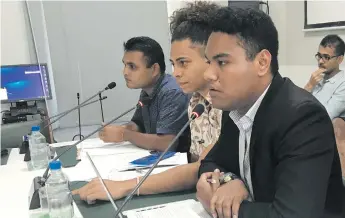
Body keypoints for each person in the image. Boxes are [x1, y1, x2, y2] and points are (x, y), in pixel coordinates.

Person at [196, 7, 344, 218]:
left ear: (262, 63)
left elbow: (292, 215)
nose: (208, 74)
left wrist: (215, 203)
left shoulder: (303, 119)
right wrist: (230, 181)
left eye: (222, 62)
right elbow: (211, 162)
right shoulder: (235, 106)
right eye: (209, 62)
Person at [72, 2, 226, 202]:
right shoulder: (196, 100)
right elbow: (198, 165)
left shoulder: (227, 105)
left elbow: (197, 165)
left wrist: (127, 185)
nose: (176, 72)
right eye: (173, 64)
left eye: (183, 63)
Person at [99, 36, 190, 152]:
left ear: (154, 70)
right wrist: (122, 129)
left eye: (132, 66)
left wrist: (124, 134)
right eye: (125, 65)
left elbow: (167, 143)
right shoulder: (147, 89)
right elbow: (138, 124)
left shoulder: (172, 92)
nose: (125, 72)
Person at [304, 35, 345, 185]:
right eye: (319, 56)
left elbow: (326, 115)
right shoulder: (317, 78)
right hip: (305, 128)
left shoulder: (343, 83)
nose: (320, 61)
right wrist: (309, 85)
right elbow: (296, 105)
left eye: (326, 57)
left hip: (322, 133)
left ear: (339, 59)